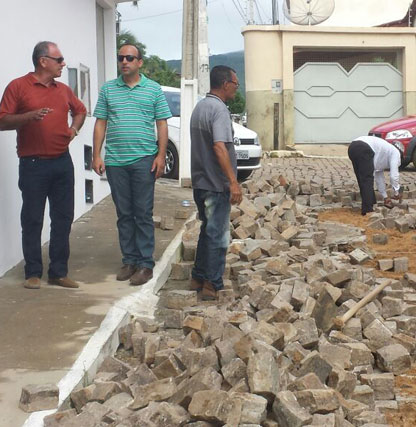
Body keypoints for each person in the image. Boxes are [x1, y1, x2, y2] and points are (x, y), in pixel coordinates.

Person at [0, 41, 86, 290]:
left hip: (62, 163)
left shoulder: (63, 90)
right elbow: (2, 120)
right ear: (43, 61)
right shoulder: (18, 86)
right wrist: (29, 117)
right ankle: (33, 273)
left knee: (63, 218)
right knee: (32, 219)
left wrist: (73, 130)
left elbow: (80, 110)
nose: (63, 64)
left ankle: (58, 273)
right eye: (59, 60)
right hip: (33, 165)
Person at [92, 44, 171, 286]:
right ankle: (129, 260)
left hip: (144, 160)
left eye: (129, 58)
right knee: (124, 214)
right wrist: (96, 155)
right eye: (121, 58)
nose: (124, 62)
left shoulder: (153, 89)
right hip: (116, 161)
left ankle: (145, 264)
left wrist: (160, 156)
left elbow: (162, 124)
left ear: (139, 62)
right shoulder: (108, 90)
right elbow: (100, 123)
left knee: (143, 213)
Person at [190, 65, 243, 300]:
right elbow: (219, 147)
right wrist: (233, 182)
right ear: (225, 84)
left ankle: (197, 277)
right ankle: (211, 284)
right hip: (215, 184)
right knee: (218, 236)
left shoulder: (200, 107)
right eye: (235, 84)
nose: (236, 88)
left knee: (206, 230)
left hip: (200, 182)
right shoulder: (219, 110)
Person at [348, 136, 402, 215]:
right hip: (364, 148)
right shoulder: (395, 152)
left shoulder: (383, 153)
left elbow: (379, 178)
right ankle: (368, 210)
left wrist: (385, 197)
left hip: (352, 148)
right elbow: (394, 176)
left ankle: (371, 202)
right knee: (367, 180)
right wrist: (397, 191)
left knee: (362, 179)